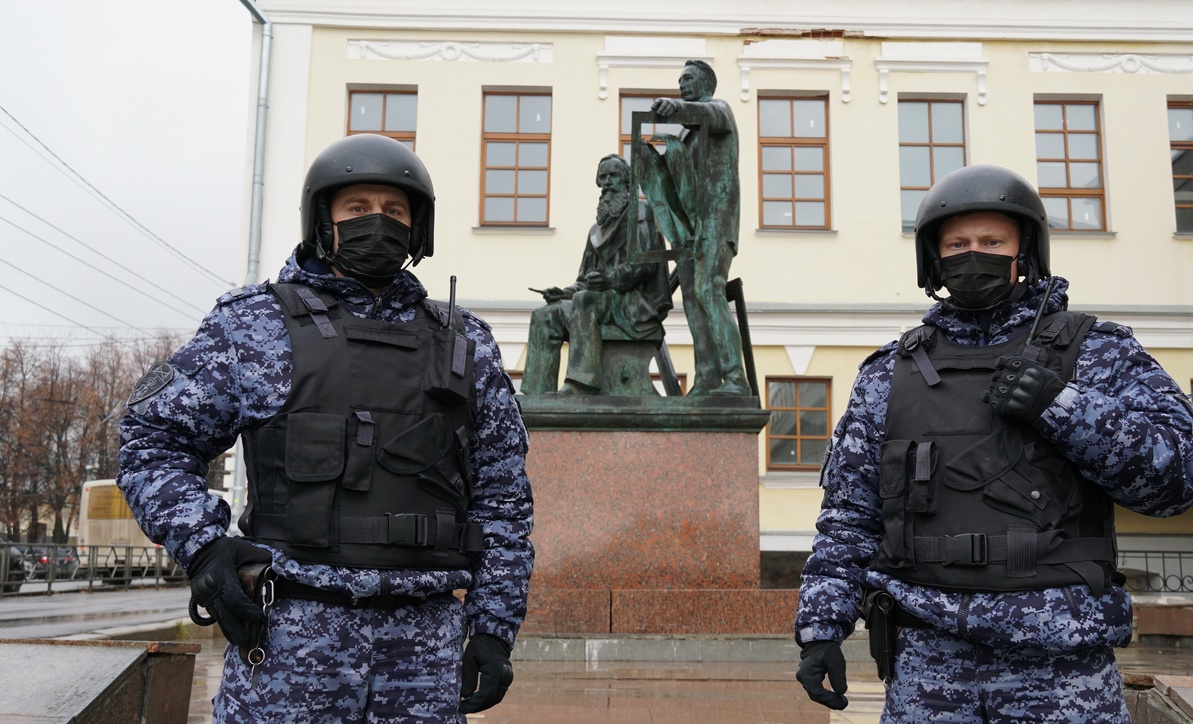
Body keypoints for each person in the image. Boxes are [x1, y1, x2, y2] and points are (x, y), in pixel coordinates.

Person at [117, 133, 534, 722]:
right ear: (322, 220)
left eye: (394, 211)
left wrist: (492, 626)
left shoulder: (467, 343)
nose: (377, 222)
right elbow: (153, 442)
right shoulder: (255, 325)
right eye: (357, 208)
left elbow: (503, 498)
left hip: (425, 649)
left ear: (417, 227)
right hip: (289, 640)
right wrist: (204, 547)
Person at [794, 164, 1193, 721]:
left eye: (992, 242)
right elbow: (850, 518)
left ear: (1027, 250)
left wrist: (1062, 406)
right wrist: (821, 627)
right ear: (933, 259)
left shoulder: (1096, 353)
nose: (974, 255)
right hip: (928, 668)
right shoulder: (888, 374)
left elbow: (1185, 474)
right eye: (958, 245)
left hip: (1062, 670)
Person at [634, 59, 749, 396]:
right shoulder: (689, 135)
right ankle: (708, 377)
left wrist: (677, 108)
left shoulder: (719, 110)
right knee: (692, 300)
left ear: (706, 84)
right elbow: (678, 173)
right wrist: (651, 155)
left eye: (688, 78)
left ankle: (736, 378)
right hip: (690, 228)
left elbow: (710, 115)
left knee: (708, 290)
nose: (681, 84)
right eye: (680, 80)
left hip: (716, 221)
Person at [522, 154, 670, 394]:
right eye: (603, 177)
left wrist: (610, 279)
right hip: (603, 301)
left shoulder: (641, 213)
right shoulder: (596, 230)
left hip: (633, 303)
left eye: (614, 176)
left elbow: (646, 264)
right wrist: (563, 293)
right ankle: (537, 391)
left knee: (585, 300)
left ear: (627, 181)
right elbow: (585, 280)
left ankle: (581, 384)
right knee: (545, 314)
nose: (607, 182)